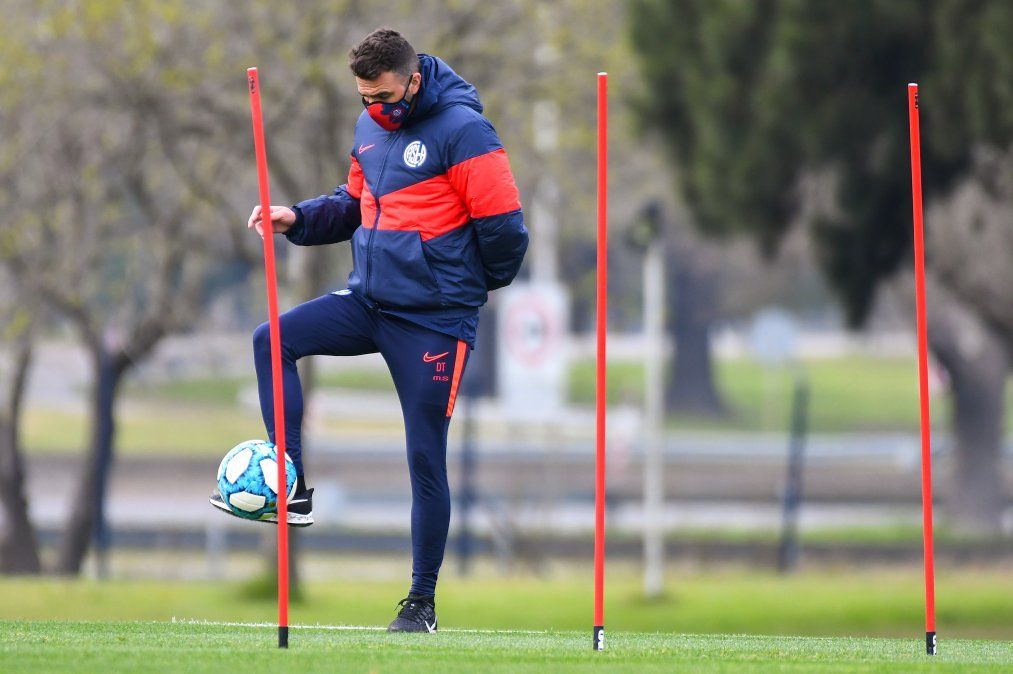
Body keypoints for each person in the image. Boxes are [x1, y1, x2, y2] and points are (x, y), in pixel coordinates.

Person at [210, 28, 528, 633]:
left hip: (434, 321)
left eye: (382, 98)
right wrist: (296, 218)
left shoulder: (464, 131)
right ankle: (292, 483)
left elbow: (507, 231)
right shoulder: (367, 130)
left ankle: (420, 605)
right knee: (271, 338)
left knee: (423, 457)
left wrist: (463, 287)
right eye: (362, 100)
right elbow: (354, 204)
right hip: (369, 301)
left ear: (413, 80)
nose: (373, 111)